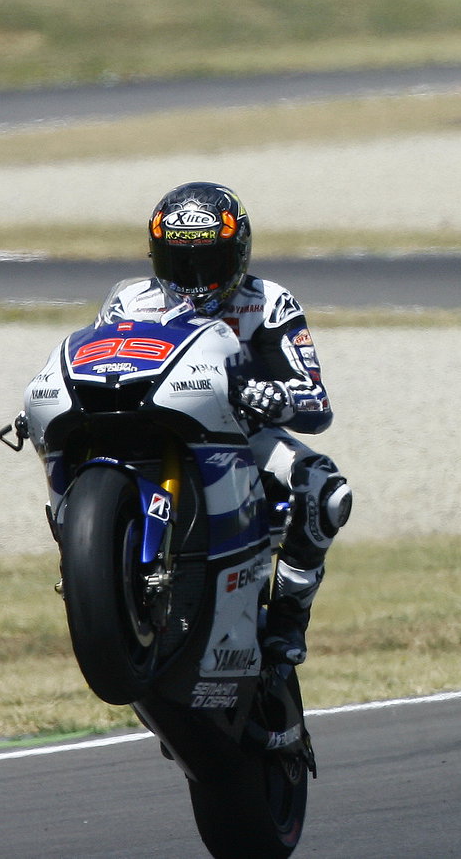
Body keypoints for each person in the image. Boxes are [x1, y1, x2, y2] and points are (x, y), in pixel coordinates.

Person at [147, 181, 352, 666]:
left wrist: (272, 397)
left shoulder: (269, 303)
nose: (195, 278)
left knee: (328, 491)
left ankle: (287, 616)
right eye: (180, 263)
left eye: (209, 263)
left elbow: (315, 400)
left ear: (238, 255)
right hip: (150, 429)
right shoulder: (130, 301)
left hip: (238, 433)